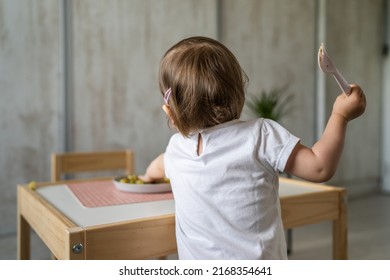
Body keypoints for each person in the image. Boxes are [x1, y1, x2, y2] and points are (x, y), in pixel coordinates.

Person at [139, 36, 366, 259]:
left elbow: (158, 166)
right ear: (238, 89)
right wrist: (340, 115)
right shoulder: (260, 135)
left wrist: (148, 176)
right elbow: (320, 167)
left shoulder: (177, 149)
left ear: (170, 111)